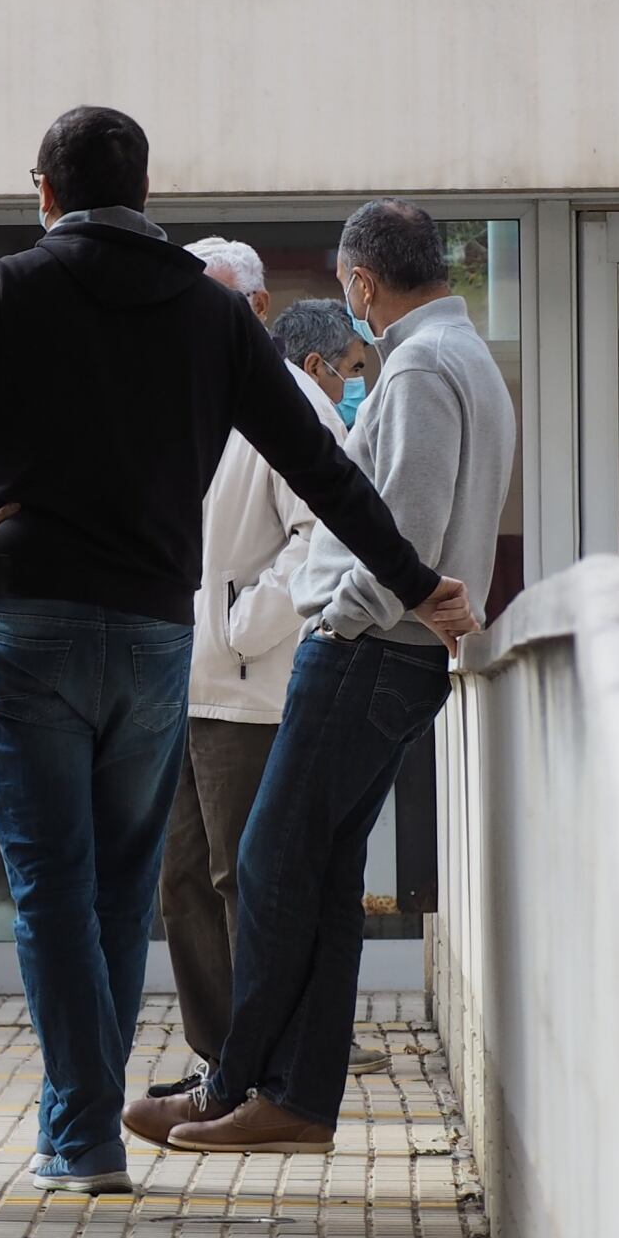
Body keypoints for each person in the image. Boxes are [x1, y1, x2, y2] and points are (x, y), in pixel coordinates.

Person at [0, 109, 472, 1197]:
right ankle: (88, 1121)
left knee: (52, 884)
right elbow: (329, 476)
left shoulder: (7, 286)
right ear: (146, 191)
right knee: (119, 885)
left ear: (44, 189)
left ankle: (84, 1133)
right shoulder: (209, 313)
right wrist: (419, 580)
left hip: (27, 620)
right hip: (151, 636)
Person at [132, 201, 515, 1157]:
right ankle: (280, 1093)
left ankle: (254, 1088)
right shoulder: (458, 355)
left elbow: (408, 533)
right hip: (389, 654)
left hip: (370, 652)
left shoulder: (423, 366)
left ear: (359, 282)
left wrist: (331, 625)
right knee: (313, 873)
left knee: (269, 867)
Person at [151, 291, 373, 1095]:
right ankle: (221, 1061)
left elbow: (328, 533)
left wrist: (243, 625)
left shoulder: (289, 411)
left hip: (250, 689)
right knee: (181, 883)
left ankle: (265, 1066)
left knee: (245, 882)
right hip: (182, 682)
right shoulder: (199, 401)